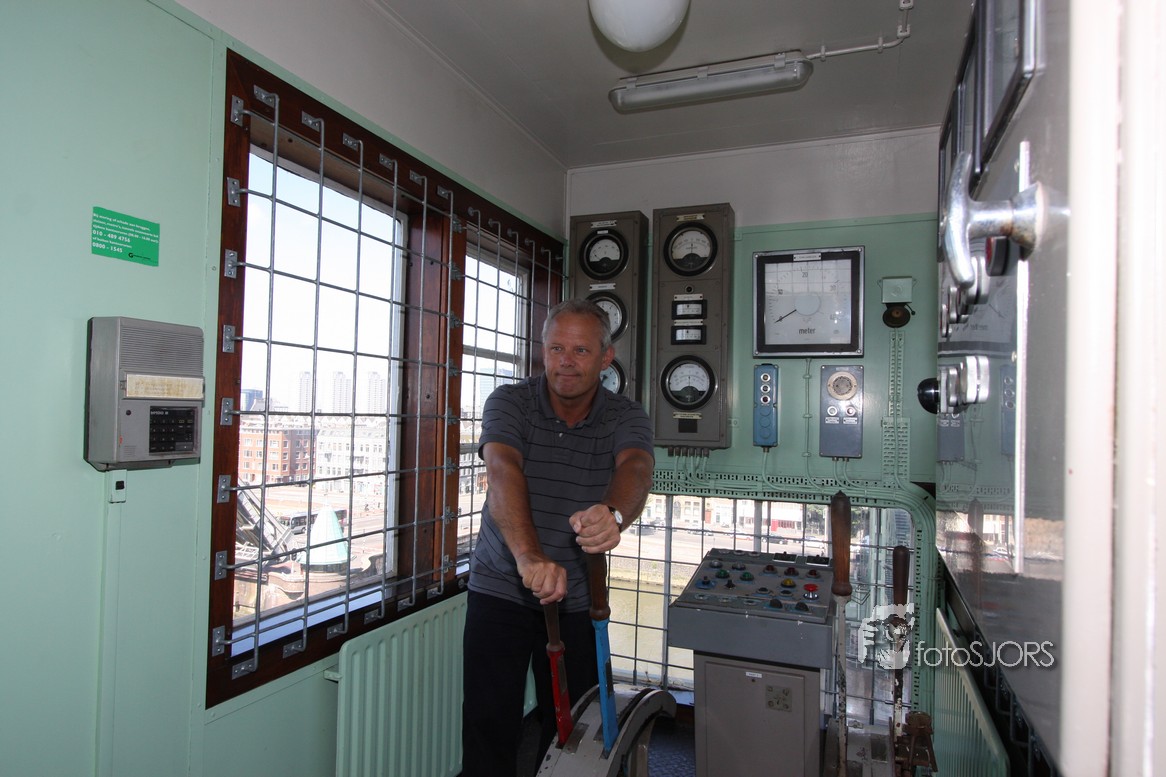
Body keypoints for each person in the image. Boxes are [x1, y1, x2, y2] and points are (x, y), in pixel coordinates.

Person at [461, 298, 655, 776]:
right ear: (543, 350)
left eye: (581, 350)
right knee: (488, 724)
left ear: (606, 358)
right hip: (501, 586)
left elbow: (636, 466)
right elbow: (502, 469)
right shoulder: (509, 401)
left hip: (576, 599)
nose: (566, 361)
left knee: (571, 729)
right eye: (556, 349)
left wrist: (612, 514)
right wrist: (528, 556)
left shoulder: (627, 415)